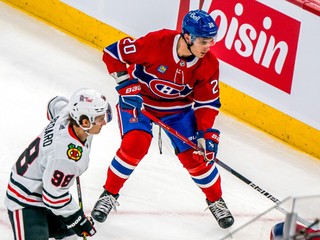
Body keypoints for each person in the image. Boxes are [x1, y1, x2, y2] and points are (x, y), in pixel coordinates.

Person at [91, 9, 234, 229]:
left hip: (178, 111)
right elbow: (112, 54)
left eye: (211, 41)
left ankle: (216, 201)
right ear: (188, 37)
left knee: (197, 158)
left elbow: (207, 103)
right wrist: (127, 85)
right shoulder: (157, 42)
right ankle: (109, 194)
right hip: (140, 102)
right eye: (203, 41)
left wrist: (205, 133)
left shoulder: (209, 64)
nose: (208, 46)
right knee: (135, 145)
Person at [5, 88, 112, 239]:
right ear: (85, 121)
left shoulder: (67, 115)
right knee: (72, 222)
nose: (104, 122)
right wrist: (77, 219)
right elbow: (53, 197)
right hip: (25, 200)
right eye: (100, 118)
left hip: (44, 189)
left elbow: (54, 103)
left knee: (69, 227)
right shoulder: (65, 157)